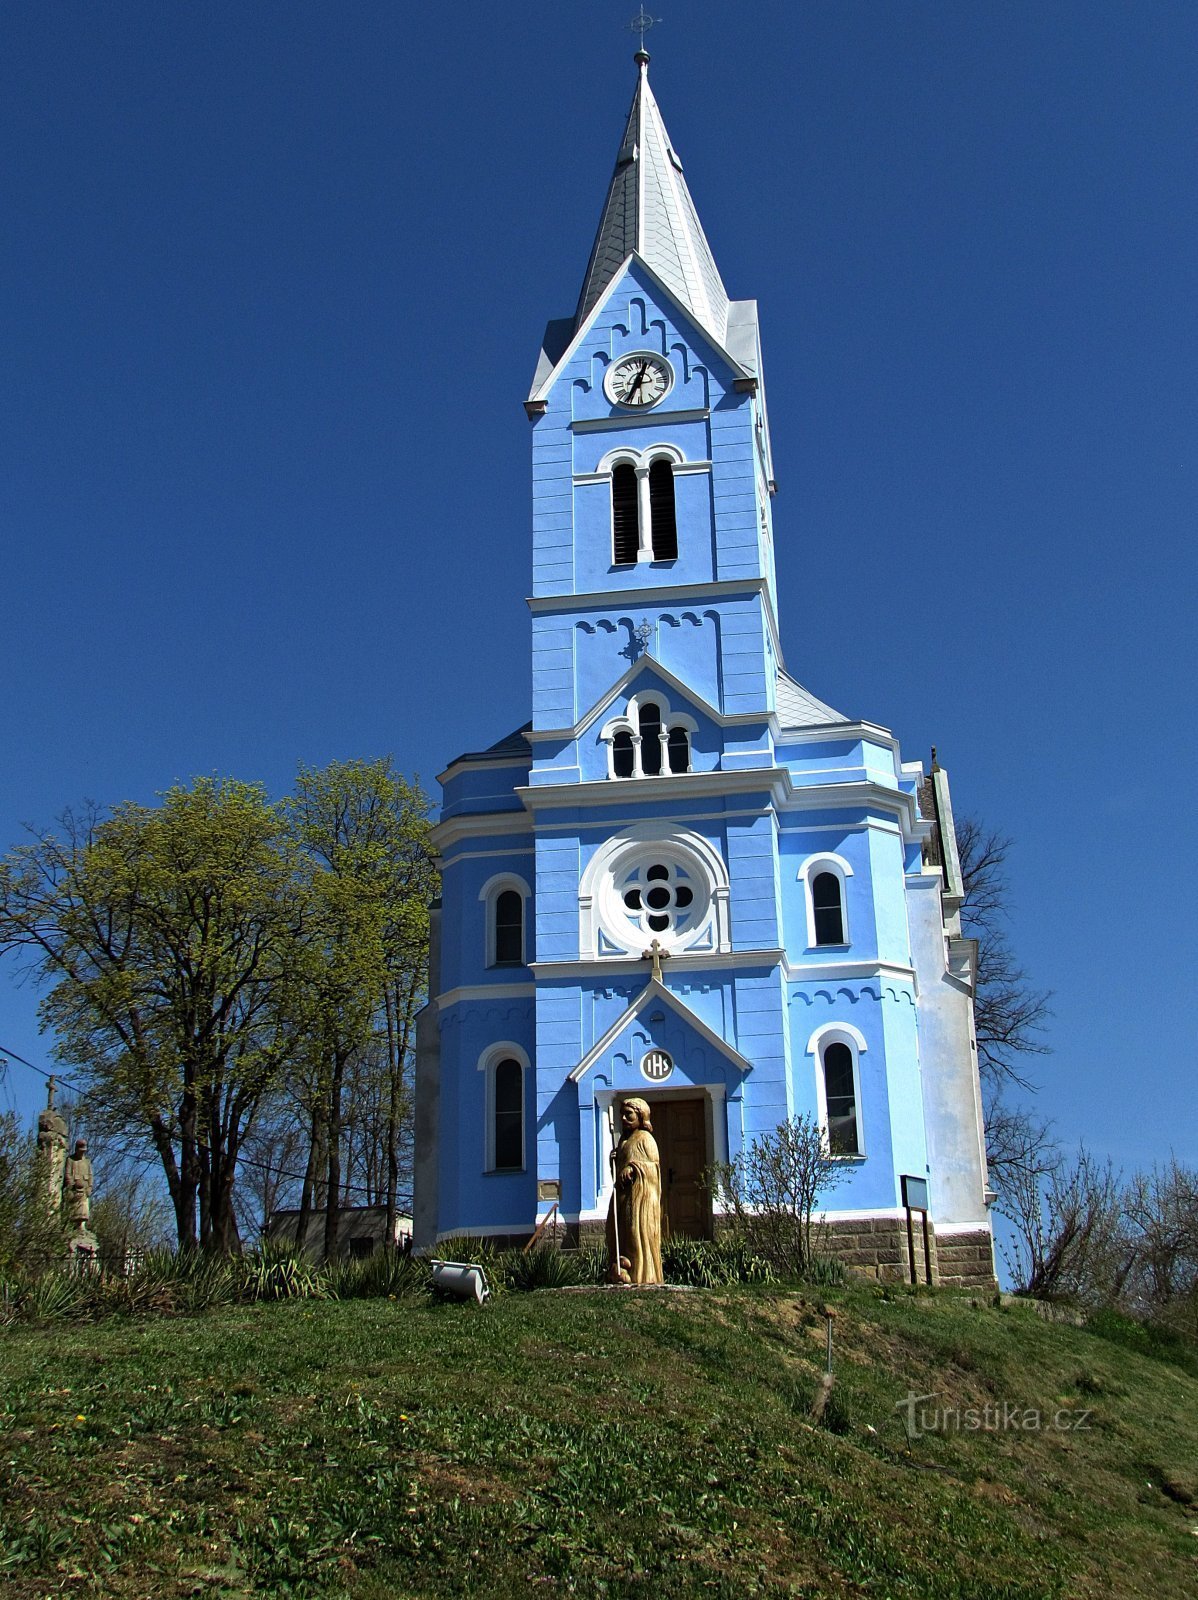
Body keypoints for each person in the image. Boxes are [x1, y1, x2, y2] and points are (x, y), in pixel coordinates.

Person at [606, 1097, 664, 1285]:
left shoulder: (646, 1139)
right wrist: (614, 1161)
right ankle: (620, 1270)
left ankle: (642, 1274)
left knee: (635, 1234)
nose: (623, 1118)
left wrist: (634, 1169)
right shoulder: (624, 1140)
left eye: (628, 1114)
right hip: (624, 1197)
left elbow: (653, 1168)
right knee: (618, 1232)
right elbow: (619, 1169)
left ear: (641, 1116)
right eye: (622, 1114)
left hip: (640, 1201)